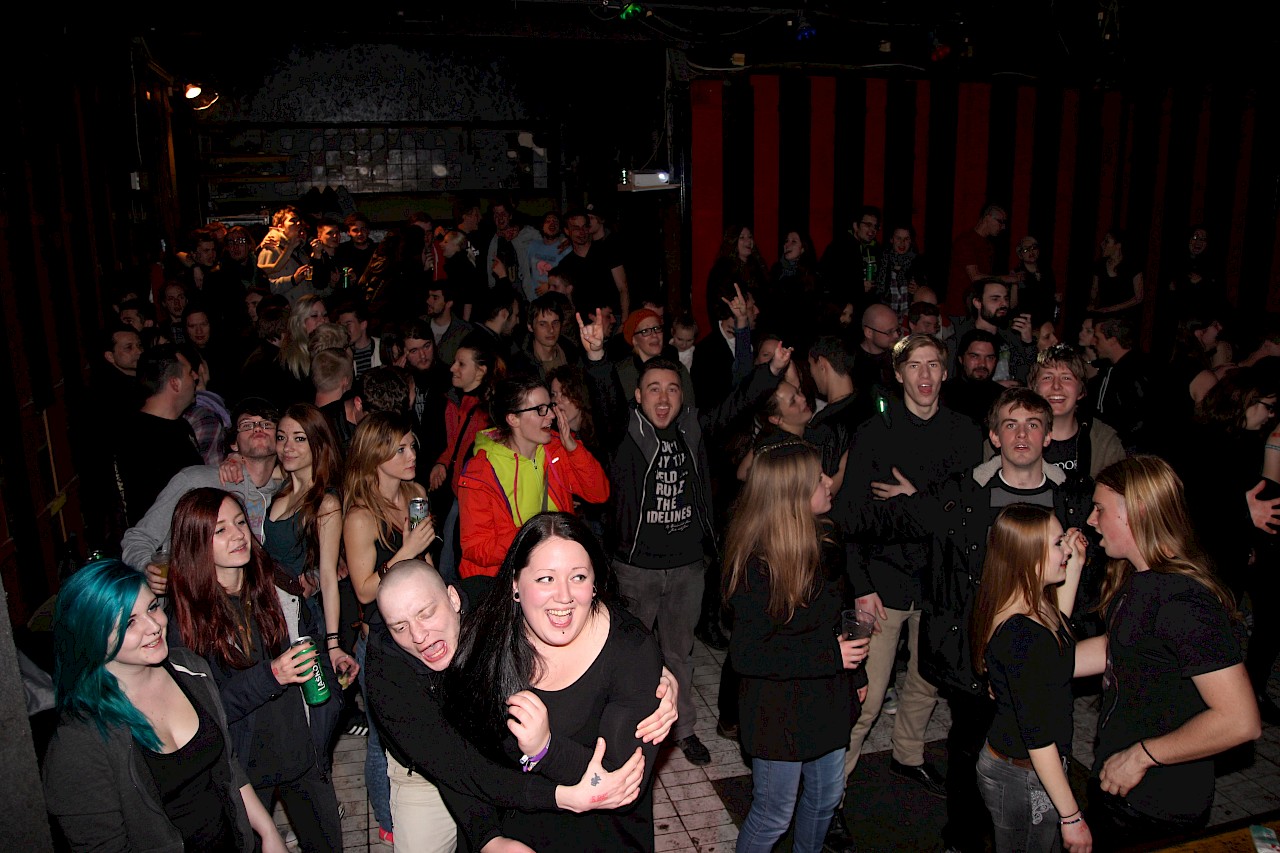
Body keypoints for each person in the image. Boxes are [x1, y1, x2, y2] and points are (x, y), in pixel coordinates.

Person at [366, 559, 672, 852]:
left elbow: (579, 611)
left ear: (453, 599)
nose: (419, 636)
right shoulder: (386, 676)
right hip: (428, 768)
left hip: (493, 748)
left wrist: (651, 669)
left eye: (426, 614)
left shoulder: (490, 602)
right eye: (400, 627)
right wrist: (551, 802)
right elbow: (459, 768)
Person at [449, 513, 663, 851]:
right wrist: (487, 836)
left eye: (578, 577)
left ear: (594, 582)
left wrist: (545, 750)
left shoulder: (631, 651)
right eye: (545, 578)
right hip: (514, 829)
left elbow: (621, 784)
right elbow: (461, 759)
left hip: (602, 837)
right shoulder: (489, 638)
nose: (564, 596)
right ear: (515, 584)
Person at [43, 559, 287, 853]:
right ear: (89, 637)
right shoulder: (79, 741)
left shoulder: (191, 670)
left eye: (151, 608)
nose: (155, 626)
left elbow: (227, 765)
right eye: (129, 623)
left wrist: (268, 831)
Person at [1079, 456, 1261, 847]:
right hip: (1121, 788)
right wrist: (1038, 665)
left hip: (1154, 805)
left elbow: (1241, 720)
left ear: (1138, 512)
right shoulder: (1139, 576)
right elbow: (1122, 646)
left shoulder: (1183, 603)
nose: (1092, 520)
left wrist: (1141, 756)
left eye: (1100, 509)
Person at [166, 490, 344, 853]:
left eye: (240, 522)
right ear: (195, 541)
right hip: (244, 771)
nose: (238, 535)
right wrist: (270, 676)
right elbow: (204, 712)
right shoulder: (185, 622)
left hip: (304, 754)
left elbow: (311, 641)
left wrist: (330, 698)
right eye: (220, 530)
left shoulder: (276, 584)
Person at [723, 439, 868, 853]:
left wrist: (855, 672)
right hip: (778, 711)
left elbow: (839, 619)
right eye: (818, 478)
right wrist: (831, 657)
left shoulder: (827, 539)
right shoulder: (756, 564)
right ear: (792, 494)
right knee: (774, 814)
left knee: (825, 799)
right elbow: (748, 655)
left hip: (828, 695)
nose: (829, 482)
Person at [971, 505, 1090, 853]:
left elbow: (1055, 639)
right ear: (1027, 556)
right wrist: (1072, 818)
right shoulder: (1023, 637)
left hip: (1022, 768)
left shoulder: (1026, 603)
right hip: (1023, 775)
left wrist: (1075, 567)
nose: (1066, 549)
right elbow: (1038, 740)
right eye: (1057, 543)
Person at [343, 412, 438, 845]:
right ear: (374, 456)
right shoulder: (360, 517)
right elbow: (364, 589)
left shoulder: (416, 495)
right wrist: (406, 550)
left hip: (422, 630)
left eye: (412, 445)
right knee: (382, 737)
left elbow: (426, 560)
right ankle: (387, 818)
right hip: (381, 638)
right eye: (399, 449)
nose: (411, 454)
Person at [457, 375, 610, 590]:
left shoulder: (556, 450)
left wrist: (573, 448)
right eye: (540, 410)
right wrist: (533, 536)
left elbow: (599, 493)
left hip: (556, 573)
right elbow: (476, 548)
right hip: (505, 585)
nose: (551, 416)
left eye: (550, 406)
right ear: (513, 419)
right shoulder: (481, 471)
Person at [263, 404, 357, 682]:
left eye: (299, 438)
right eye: (282, 437)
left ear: (318, 444)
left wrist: (333, 644)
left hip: (298, 616)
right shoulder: (282, 484)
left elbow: (328, 577)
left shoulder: (325, 503)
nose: (287, 447)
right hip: (268, 609)